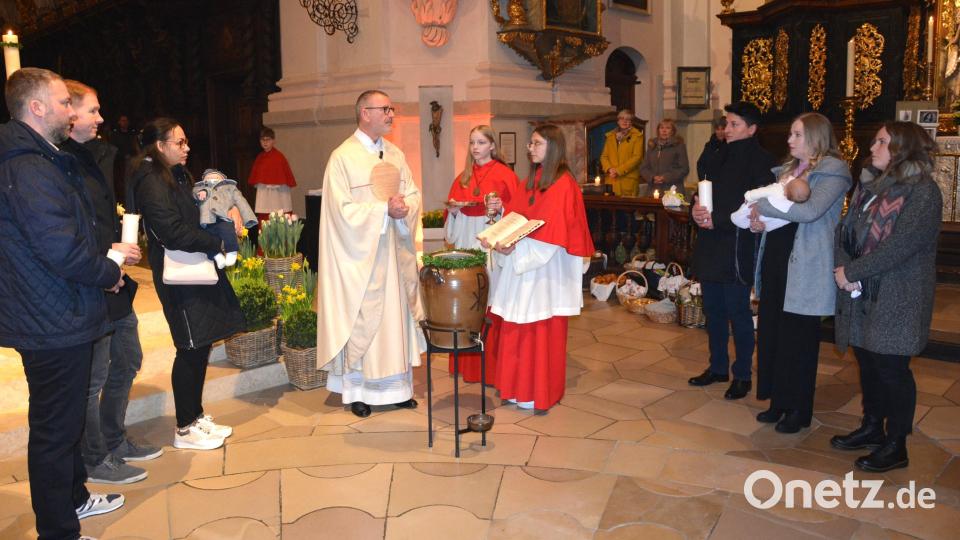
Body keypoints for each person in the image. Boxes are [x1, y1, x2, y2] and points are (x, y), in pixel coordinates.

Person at [0, 67, 126, 540]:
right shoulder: (28, 166)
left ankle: (74, 498)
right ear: (36, 108)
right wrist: (108, 273)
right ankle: (57, 531)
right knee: (55, 431)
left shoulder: (40, 156)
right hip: (49, 316)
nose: (70, 111)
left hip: (56, 310)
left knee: (65, 422)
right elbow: (60, 248)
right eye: (62, 103)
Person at [62, 80, 165, 487]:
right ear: (68, 115)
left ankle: (113, 436)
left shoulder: (98, 156)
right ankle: (93, 456)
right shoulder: (61, 162)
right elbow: (73, 229)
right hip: (94, 279)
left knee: (129, 358)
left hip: (115, 275)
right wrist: (110, 252)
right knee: (94, 378)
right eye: (93, 111)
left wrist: (121, 247)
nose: (101, 118)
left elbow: (100, 217)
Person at [831, 122, 942, 472]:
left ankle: (896, 444)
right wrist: (844, 267)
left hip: (898, 293)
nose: (873, 146)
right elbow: (845, 230)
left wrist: (853, 273)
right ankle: (871, 427)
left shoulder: (923, 192)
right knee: (867, 360)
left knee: (892, 369)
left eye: (882, 141)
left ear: (903, 149)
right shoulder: (870, 186)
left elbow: (901, 246)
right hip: (863, 291)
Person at [128, 118, 245, 450]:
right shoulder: (150, 179)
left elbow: (199, 210)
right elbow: (170, 229)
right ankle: (184, 427)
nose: (186, 148)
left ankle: (195, 416)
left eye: (185, 142)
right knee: (190, 346)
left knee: (201, 343)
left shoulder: (175, 174)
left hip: (196, 266)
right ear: (160, 146)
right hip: (178, 273)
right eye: (179, 143)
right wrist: (215, 244)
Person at [317, 90, 425, 418]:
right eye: (386, 109)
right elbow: (339, 211)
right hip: (362, 261)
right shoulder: (342, 158)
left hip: (394, 254)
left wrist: (404, 207)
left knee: (396, 320)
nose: (392, 114)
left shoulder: (394, 154)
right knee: (366, 319)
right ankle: (358, 391)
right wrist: (382, 211)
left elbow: (413, 193)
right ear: (365, 113)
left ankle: (399, 388)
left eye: (392, 109)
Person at [748, 112, 851, 433]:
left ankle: (799, 409)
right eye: (790, 134)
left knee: (799, 340)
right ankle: (778, 401)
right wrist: (758, 224)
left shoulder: (834, 170)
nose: (789, 140)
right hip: (778, 258)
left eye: (796, 135)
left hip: (806, 264)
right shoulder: (789, 170)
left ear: (816, 137)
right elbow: (780, 215)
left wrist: (762, 206)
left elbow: (810, 211)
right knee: (773, 333)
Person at [484, 124, 594, 411]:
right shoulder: (529, 181)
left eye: (536, 143)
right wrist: (500, 232)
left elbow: (553, 235)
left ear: (552, 147)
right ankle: (514, 388)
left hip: (545, 272)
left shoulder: (563, 184)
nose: (529, 148)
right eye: (531, 144)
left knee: (538, 332)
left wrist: (513, 247)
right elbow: (517, 218)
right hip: (522, 265)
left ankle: (537, 392)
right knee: (515, 329)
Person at [689, 101, 775, 400]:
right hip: (711, 242)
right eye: (726, 123)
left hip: (737, 244)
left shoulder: (761, 160)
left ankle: (742, 375)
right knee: (712, 310)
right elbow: (701, 188)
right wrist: (696, 211)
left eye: (734, 124)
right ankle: (717, 367)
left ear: (751, 129)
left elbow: (758, 204)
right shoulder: (716, 152)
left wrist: (720, 220)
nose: (727, 129)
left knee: (737, 312)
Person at [443, 125, 517, 384]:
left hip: (491, 244)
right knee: (467, 300)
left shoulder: (505, 174)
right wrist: (453, 211)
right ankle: (466, 365)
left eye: (481, 142)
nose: (475, 148)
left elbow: (516, 214)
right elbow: (451, 227)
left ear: (492, 146)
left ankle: (490, 368)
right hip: (466, 240)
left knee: (488, 298)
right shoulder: (463, 176)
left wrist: (501, 207)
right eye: (472, 142)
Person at [194, 168, 258, 268]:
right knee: (205, 240)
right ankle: (217, 256)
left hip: (223, 217)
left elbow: (241, 202)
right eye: (209, 178)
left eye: (216, 177)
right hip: (205, 221)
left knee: (228, 231)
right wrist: (200, 193)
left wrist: (248, 218)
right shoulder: (199, 188)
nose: (212, 179)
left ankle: (232, 251)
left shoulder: (230, 187)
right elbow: (192, 197)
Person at [730, 167, 811, 230]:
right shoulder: (790, 208)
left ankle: (742, 220)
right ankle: (750, 223)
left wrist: (749, 196)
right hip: (764, 218)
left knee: (741, 214)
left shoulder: (778, 189)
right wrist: (766, 226)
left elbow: (762, 191)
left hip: (755, 209)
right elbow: (779, 222)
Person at [247, 126, 297, 221]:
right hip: (264, 194)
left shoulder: (279, 157)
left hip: (278, 194)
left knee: (280, 214)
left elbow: (284, 177)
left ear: (273, 141)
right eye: (262, 140)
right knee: (265, 217)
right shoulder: (259, 158)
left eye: (268, 139)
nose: (265, 142)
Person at [639, 118, 689, 196]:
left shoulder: (678, 145)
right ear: (658, 130)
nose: (664, 130)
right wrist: (652, 177)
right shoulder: (652, 145)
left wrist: (665, 177)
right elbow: (643, 168)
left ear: (673, 131)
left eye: (668, 128)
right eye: (661, 128)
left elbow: (684, 169)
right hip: (653, 190)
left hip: (672, 189)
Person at [599, 109, 644, 196]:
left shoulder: (637, 136)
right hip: (611, 180)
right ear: (618, 121)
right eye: (622, 119)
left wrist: (618, 170)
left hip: (627, 181)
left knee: (627, 208)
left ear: (631, 122)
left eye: (628, 119)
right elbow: (604, 156)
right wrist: (609, 169)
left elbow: (637, 157)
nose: (624, 121)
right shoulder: (610, 136)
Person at [696, 116, 726, 181]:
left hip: (724, 183)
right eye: (718, 129)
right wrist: (704, 180)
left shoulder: (730, 146)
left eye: (723, 129)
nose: (720, 132)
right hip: (709, 183)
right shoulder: (709, 145)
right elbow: (700, 164)